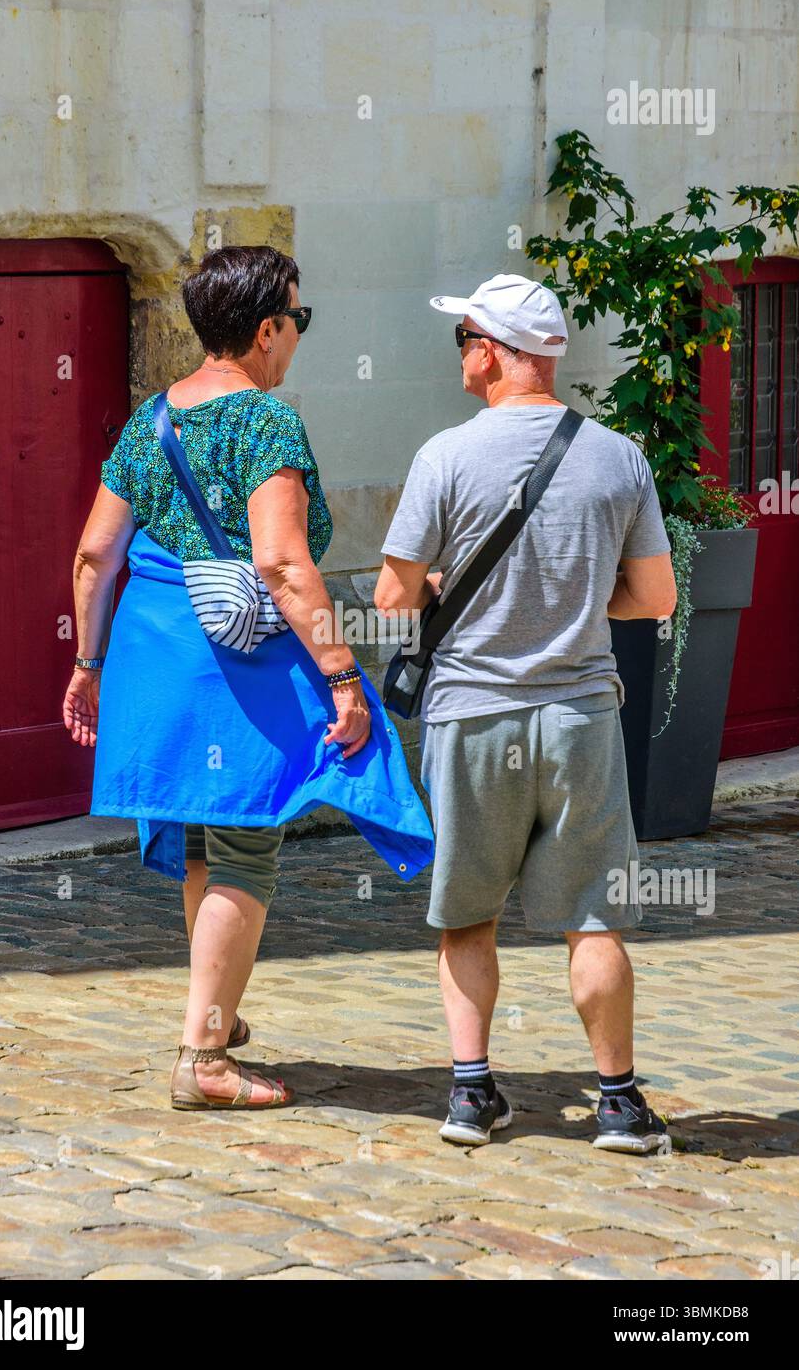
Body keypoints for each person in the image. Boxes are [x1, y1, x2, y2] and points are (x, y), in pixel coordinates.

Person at [63, 245, 434, 1113]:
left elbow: (93, 556)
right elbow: (282, 562)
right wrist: (343, 677)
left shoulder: (148, 420)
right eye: (296, 321)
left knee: (203, 837)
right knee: (246, 847)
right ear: (266, 329)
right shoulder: (266, 422)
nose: (297, 337)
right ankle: (203, 1061)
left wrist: (88, 664)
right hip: (241, 670)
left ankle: (214, 1017)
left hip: (161, 657)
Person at [374, 273, 676, 1151]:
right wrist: (578, 603)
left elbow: (394, 597)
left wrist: (437, 587)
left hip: (471, 716)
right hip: (580, 715)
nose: (460, 353)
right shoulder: (617, 455)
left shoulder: (445, 456)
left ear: (494, 352)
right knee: (595, 916)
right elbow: (654, 597)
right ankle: (617, 1102)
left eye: (463, 337)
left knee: (467, 914)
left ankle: (472, 1096)